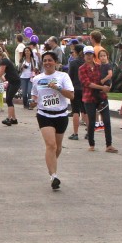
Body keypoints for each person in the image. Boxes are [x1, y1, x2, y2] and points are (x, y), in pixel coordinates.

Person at [30, 51, 75, 190]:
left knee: (58, 147)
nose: (47, 63)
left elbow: (71, 96)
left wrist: (58, 88)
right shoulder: (37, 79)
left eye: (50, 60)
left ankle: (51, 165)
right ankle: (54, 176)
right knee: (51, 145)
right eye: (45, 60)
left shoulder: (63, 76)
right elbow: (34, 97)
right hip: (44, 115)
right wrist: (32, 102)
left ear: (55, 62)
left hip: (61, 115)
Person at [79, 47, 117, 153]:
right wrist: (102, 88)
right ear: (84, 55)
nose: (89, 56)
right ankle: (91, 144)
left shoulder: (100, 67)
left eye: (90, 54)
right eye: (87, 54)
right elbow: (87, 83)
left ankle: (109, 145)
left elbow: (108, 77)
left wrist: (108, 86)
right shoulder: (82, 68)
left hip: (101, 97)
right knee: (91, 122)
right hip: (89, 97)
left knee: (107, 121)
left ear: (93, 55)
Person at [66, 45, 86, 140]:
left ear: (76, 52)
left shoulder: (73, 63)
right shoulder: (87, 63)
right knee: (85, 111)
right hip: (85, 89)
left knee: (75, 111)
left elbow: (69, 77)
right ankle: (89, 132)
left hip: (75, 88)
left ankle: (75, 133)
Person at [18, 46, 37, 111]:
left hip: (31, 77)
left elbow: (36, 68)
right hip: (23, 77)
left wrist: (35, 69)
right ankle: (25, 104)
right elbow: (18, 69)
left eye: (28, 51)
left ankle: (29, 105)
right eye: (25, 51)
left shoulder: (33, 60)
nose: (27, 52)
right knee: (24, 93)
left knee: (29, 92)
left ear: (30, 52)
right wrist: (22, 67)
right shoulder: (22, 59)